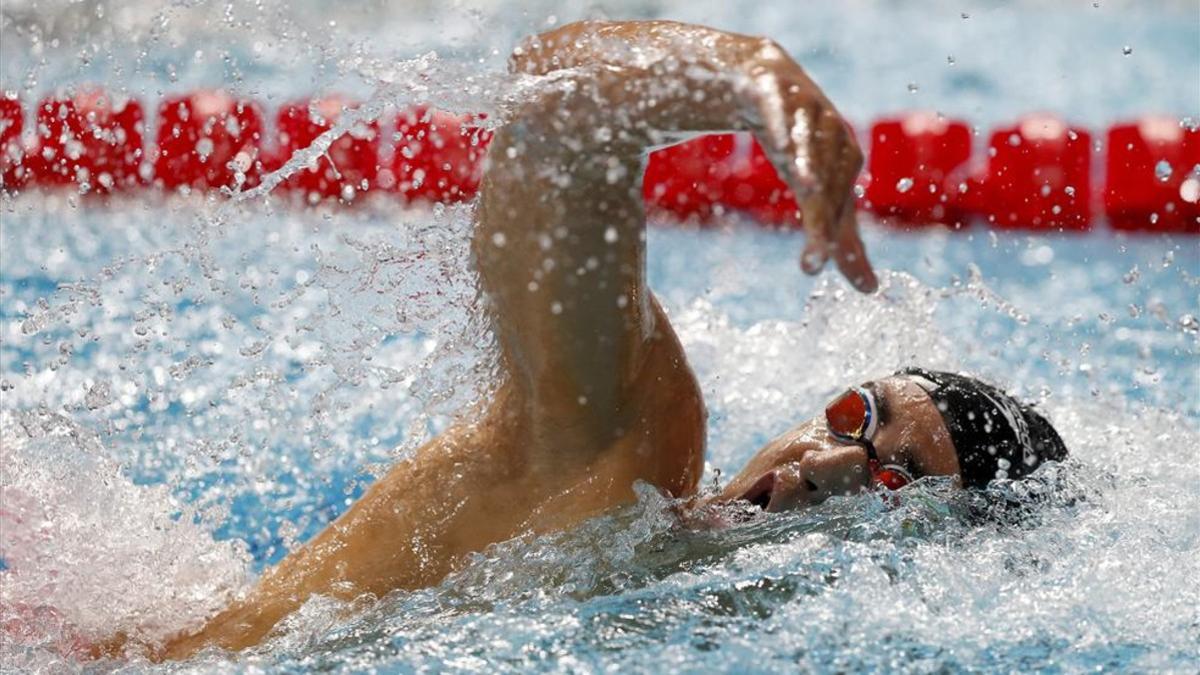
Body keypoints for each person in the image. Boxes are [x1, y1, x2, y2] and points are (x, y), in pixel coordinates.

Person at [118, 20, 1066, 660]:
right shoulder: (627, 460)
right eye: (857, 415)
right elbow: (552, 111)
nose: (827, 464)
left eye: (896, 478)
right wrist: (757, 75)